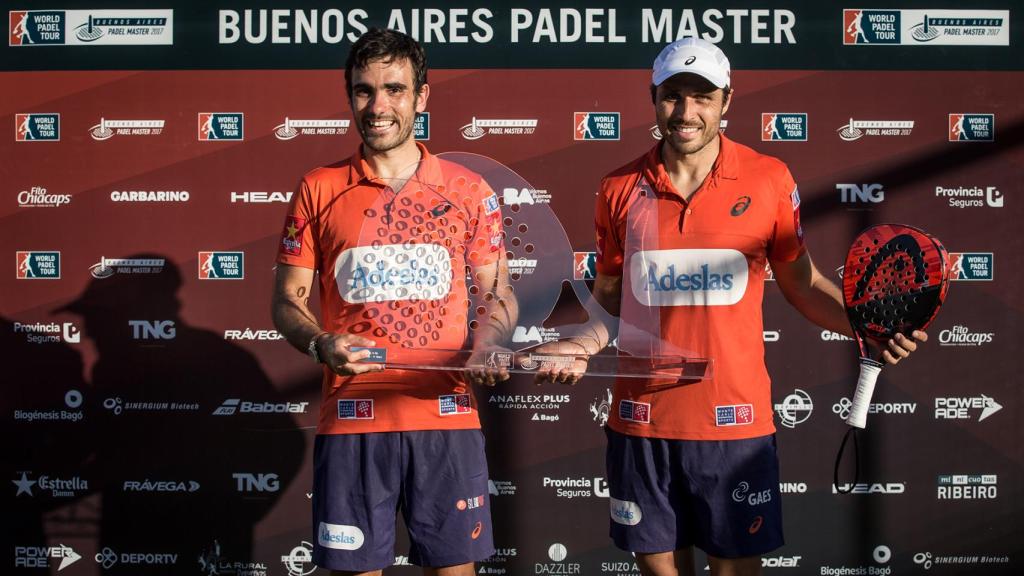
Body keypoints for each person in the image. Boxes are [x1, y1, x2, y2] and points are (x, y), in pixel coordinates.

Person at [536, 38, 927, 576]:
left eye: (702, 96)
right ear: (654, 98)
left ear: (726, 101)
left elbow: (803, 284)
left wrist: (864, 326)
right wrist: (582, 343)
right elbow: (610, 294)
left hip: (734, 424)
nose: (687, 111)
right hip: (641, 420)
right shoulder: (618, 188)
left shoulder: (769, 179)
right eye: (674, 95)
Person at [271, 28, 513, 576]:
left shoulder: (468, 190)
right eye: (363, 91)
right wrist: (318, 340)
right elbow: (287, 301)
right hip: (355, 419)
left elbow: (499, 293)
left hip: (445, 418)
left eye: (395, 90)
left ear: (422, 97)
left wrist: (491, 341)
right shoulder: (318, 188)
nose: (378, 107)